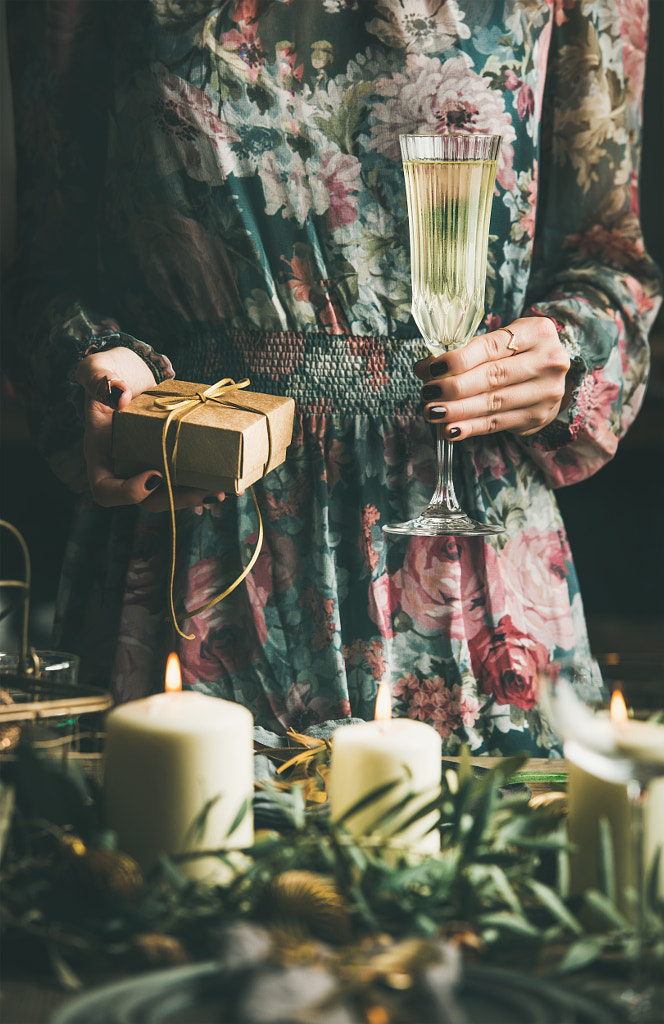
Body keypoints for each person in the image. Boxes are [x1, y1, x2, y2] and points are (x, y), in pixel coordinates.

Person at [4, 0, 661, 755]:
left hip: (464, 560)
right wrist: (87, 361)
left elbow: (610, 260)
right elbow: (42, 269)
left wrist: (565, 353)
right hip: (195, 535)